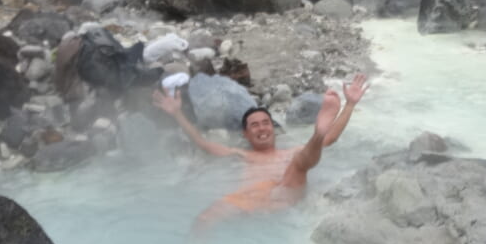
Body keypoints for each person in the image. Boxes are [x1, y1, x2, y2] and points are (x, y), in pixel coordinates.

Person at [153, 74, 367, 223]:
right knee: (205, 217)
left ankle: (317, 132)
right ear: (246, 134)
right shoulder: (240, 154)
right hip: (252, 202)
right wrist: (176, 114)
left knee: (298, 163)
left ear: (273, 129)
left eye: (266, 123)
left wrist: (350, 105)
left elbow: (331, 139)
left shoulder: (290, 153)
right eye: (254, 125)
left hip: (287, 195)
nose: (262, 128)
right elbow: (202, 143)